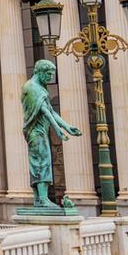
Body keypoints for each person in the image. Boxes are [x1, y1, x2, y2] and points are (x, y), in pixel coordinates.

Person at [22, 60, 82, 208]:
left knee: (41, 162)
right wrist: (58, 131)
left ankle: (39, 200)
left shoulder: (40, 88)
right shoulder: (31, 87)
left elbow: (51, 111)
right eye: (48, 73)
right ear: (39, 72)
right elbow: (46, 112)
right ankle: (42, 199)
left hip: (40, 130)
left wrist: (67, 127)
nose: (50, 77)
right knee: (41, 162)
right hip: (35, 132)